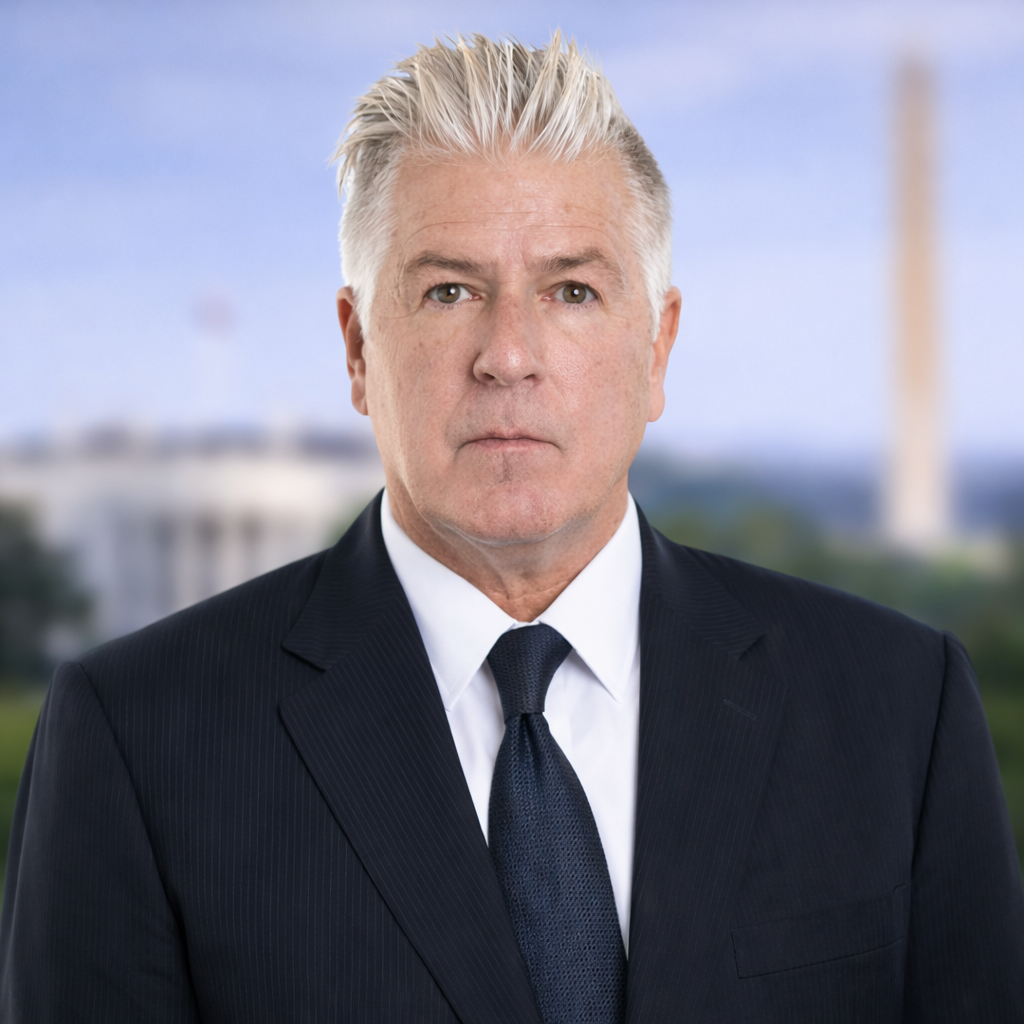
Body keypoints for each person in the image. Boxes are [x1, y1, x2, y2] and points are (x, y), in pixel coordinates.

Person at [2, 33, 1022, 1024]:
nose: (508, 355)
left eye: (571, 291)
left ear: (657, 347)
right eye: (450, 291)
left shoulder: (897, 710)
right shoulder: (138, 739)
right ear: (358, 350)